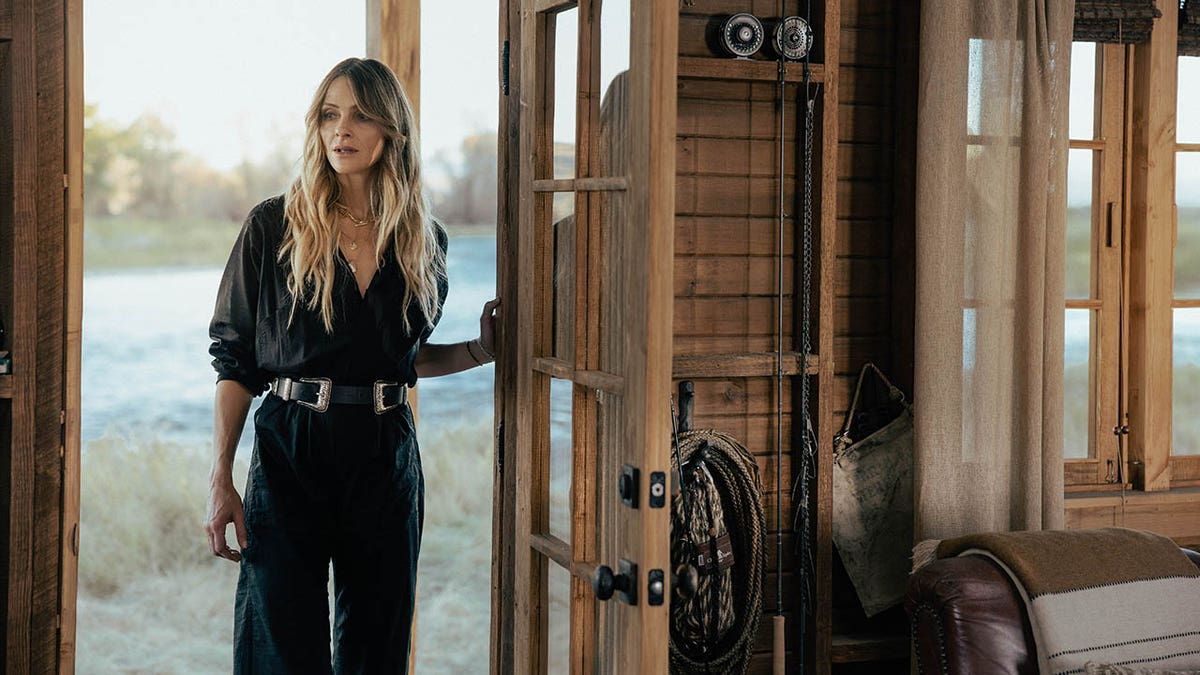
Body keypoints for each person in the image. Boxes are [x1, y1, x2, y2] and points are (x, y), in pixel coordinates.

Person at [204, 57, 499, 674]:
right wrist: (220, 479)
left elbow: (397, 359)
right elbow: (234, 361)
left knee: (378, 646)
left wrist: (479, 352)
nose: (342, 130)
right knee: (281, 646)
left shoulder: (425, 240)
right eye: (330, 115)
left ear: (391, 130)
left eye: (361, 116)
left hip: (386, 454)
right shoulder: (273, 226)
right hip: (290, 449)